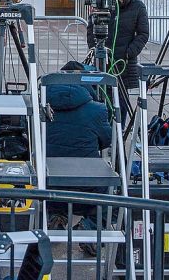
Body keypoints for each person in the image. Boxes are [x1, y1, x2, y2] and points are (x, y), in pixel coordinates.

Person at [45, 61, 113, 248]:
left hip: (51, 185)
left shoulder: (42, 107)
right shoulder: (97, 109)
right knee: (116, 194)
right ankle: (89, 228)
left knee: (52, 185)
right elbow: (107, 142)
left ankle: (56, 216)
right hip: (88, 185)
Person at [87, 0, 150, 95]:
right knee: (101, 95)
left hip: (124, 62)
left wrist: (129, 52)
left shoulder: (138, 7)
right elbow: (91, 28)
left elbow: (143, 34)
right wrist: (94, 48)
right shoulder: (104, 5)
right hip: (103, 58)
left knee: (121, 98)